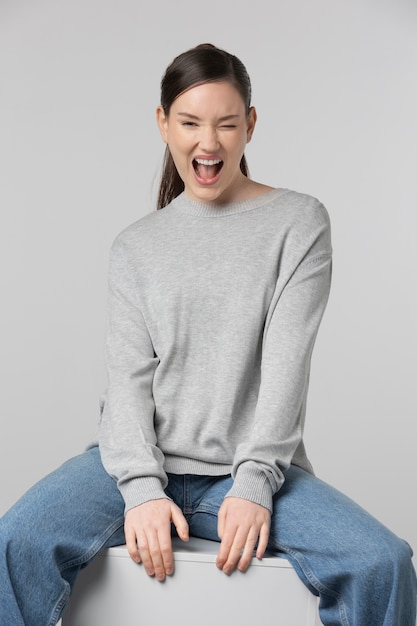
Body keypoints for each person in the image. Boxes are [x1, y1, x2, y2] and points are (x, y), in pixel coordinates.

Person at [0, 43, 416, 626]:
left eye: (226, 124)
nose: (209, 143)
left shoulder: (298, 223)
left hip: (244, 471)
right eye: (190, 123)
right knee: (15, 541)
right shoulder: (136, 246)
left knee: (382, 563)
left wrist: (253, 486)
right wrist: (143, 490)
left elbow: (284, 372)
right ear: (162, 123)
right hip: (136, 463)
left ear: (251, 124)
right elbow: (126, 383)